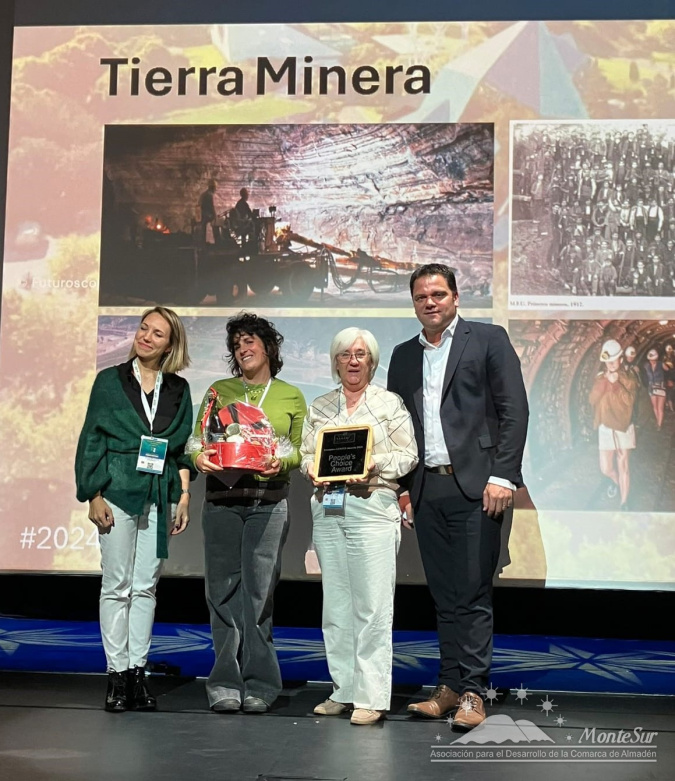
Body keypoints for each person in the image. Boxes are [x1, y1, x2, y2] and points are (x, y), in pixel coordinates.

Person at [387, 263, 529, 729]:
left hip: (479, 486)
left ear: (455, 297)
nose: (430, 302)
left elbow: (514, 410)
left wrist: (503, 476)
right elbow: (399, 430)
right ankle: (448, 686)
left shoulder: (488, 340)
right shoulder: (403, 355)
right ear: (414, 303)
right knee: (444, 595)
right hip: (428, 488)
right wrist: (404, 491)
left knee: (472, 592)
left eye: (439, 294)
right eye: (421, 296)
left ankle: (474, 691)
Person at [75, 307, 194, 712]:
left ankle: (137, 675)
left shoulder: (178, 389)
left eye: (157, 333)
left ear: (170, 344)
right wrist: (93, 494)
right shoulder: (109, 381)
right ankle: (116, 676)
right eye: (144, 328)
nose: (146, 337)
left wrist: (183, 496)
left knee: (145, 587)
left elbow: (180, 451)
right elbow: (91, 438)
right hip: (117, 493)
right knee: (116, 585)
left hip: (159, 495)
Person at [299, 328, 418, 726]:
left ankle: (371, 696)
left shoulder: (389, 404)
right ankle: (344, 690)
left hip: (372, 505)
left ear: (372, 361)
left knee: (372, 606)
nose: (353, 360)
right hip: (329, 507)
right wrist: (312, 471)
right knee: (336, 606)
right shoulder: (320, 407)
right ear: (335, 361)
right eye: (346, 354)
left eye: (361, 354)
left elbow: (409, 455)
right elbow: (304, 455)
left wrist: (375, 464)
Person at [192, 312, 306, 714]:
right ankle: (223, 682)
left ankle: (261, 683)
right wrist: (198, 457)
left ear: (268, 347)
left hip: (268, 503)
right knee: (221, 594)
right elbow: (195, 440)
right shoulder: (218, 391)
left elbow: (299, 447)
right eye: (237, 343)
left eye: (251, 340)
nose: (243, 347)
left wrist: (283, 461)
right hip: (222, 503)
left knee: (259, 596)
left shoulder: (290, 394)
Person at [589, 340, 639, 511]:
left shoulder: (629, 378)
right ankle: (617, 484)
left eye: (614, 359)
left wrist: (616, 384)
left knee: (623, 465)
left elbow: (629, 401)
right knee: (606, 468)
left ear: (621, 360)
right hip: (606, 428)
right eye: (608, 360)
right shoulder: (599, 379)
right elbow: (592, 400)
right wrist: (605, 383)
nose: (611, 363)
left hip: (624, 427)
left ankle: (624, 503)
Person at [643, 348, 667, 430]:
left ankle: (659, 425)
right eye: (650, 359)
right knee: (655, 407)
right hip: (652, 387)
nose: (652, 361)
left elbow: (669, 371)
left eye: (653, 359)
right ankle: (658, 421)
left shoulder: (661, 364)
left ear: (656, 358)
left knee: (660, 407)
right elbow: (643, 373)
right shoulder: (646, 365)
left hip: (661, 387)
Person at [198, 178, 221, 245]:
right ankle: (218, 241)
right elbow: (211, 207)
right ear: (213, 187)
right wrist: (215, 216)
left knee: (204, 228)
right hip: (205, 215)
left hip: (202, 215)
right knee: (216, 223)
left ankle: (203, 242)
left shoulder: (204, 194)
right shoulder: (209, 195)